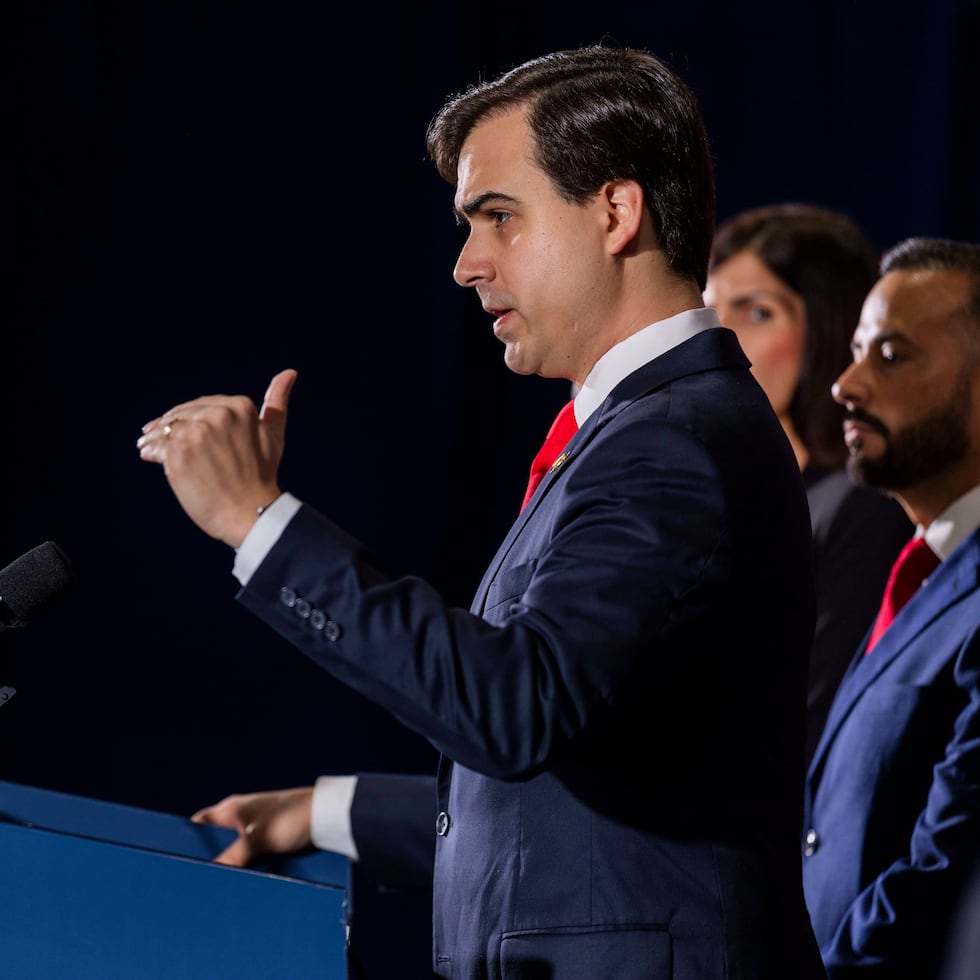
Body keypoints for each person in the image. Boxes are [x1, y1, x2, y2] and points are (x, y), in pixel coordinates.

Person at [138, 45, 825, 978]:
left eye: (499, 217)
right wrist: (325, 812)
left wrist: (258, 523)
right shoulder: (640, 430)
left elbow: (517, 706)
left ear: (616, 213)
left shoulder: (676, 441)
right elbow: (577, 800)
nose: (467, 265)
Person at [801, 236, 980, 978]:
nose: (845, 383)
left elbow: (945, 859)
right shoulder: (919, 576)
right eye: (854, 351)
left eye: (892, 355)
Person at [704, 203, 912, 764]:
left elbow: (810, 729)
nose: (718, 336)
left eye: (757, 312)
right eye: (707, 312)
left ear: (829, 330)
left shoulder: (863, 508)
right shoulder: (716, 500)